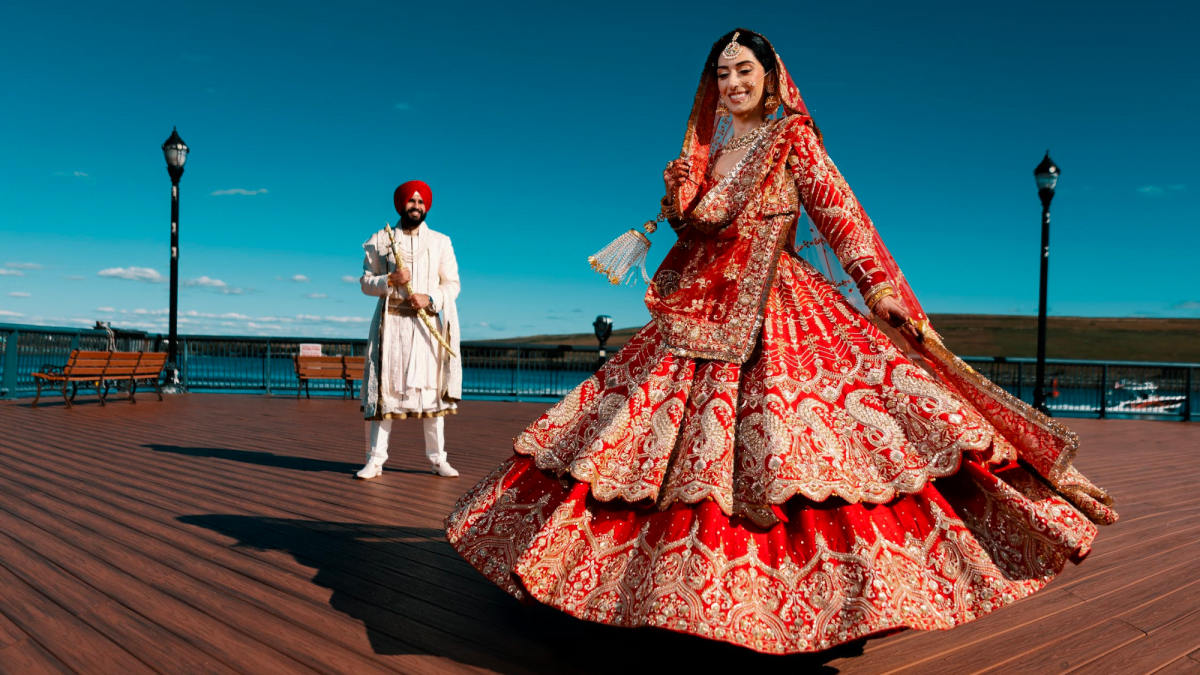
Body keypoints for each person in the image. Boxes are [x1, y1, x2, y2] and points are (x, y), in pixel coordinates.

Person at [446, 29, 1117, 654]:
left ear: (771, 79)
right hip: (698, 313)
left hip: (781, 310)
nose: (732, 81)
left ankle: (818, 605)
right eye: (722, 73)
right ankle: (656, 598)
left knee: (801, 456)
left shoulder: (792, 141)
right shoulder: (701, 160)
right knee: (641, 449)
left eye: (745, 70)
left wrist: (880, 289)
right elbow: (700, 232)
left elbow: (843, 218)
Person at [357, 180, 461, 479]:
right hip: (391, 329)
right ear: (400, 204)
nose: (416, 206)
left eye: (421, 202)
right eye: (411, 201)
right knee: (386, 392)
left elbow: (452, 284)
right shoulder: (380, 240)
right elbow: (365, 283)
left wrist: (432, 298)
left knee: (431, 394)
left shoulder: (441, 242)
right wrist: (389, 279)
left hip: (427, 327)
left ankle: (438, 459)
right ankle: (375, 460)